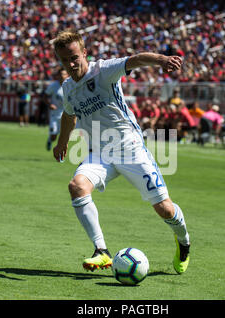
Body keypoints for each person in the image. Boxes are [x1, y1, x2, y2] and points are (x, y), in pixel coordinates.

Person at [52, 31, 190, 274]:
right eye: (65, 60)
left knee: (165, 209)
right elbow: (69, 114)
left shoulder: (103, 71)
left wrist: (161, 60)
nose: (71, 64)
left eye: (74, 57)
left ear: (84, 53)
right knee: (77, 186)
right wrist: (61, 142)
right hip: (100, 154)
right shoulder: (68, 87)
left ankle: (184, 241)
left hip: (131, 149)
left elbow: (134, 60)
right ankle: (101, 251)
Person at [45, 69, 69, 151]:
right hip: (55, 114)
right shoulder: (53, 86)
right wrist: (49, 104)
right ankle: (49, 140)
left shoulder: (70, 85)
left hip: (67, 114)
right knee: (53, 136)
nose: (62, 76)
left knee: (65, 135)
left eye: (64, 74)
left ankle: (61, 149)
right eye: (61, 74)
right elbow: (45, 96)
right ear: (58, 76)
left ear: (67, 75)